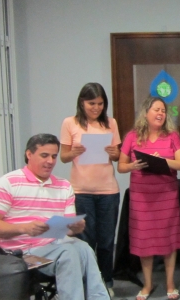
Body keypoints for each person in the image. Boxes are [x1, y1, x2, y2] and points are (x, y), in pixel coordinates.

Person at [0, 133, 110, 300]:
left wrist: (75, 226)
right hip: (16, 252)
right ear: (29, 154)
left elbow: (67, 231)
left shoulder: (64, 186)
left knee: (83, 248)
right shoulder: (8, 183)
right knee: (68, 252)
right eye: (44, 155)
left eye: (54, 156)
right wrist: (23, 228)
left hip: (52, 245)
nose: (50, 161)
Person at [118, 96, 180, 300]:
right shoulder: (132, 136)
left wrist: (163, 160)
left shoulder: (173, 136)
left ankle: (170, 283)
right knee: (144, 240)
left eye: (163, 111)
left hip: (166, 195)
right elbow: (121, 166)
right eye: (156, 110)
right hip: (141, 196)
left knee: (169, 239)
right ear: (146, 113)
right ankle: (147, 285)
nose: (160, 114)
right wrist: (132, 166)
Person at [59, 82, 121, 295]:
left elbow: (118, 156)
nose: (96, 108)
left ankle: (106, 283)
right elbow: (63, 157)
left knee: (106, 240)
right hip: (81, 190)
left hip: (108, 190)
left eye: (100, 104)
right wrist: (74, 151)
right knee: (85, 240)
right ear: (82, 102)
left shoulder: (111, 123)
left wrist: (114, 153)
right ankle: (86, 283)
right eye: (91, 103)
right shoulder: (70, 123)